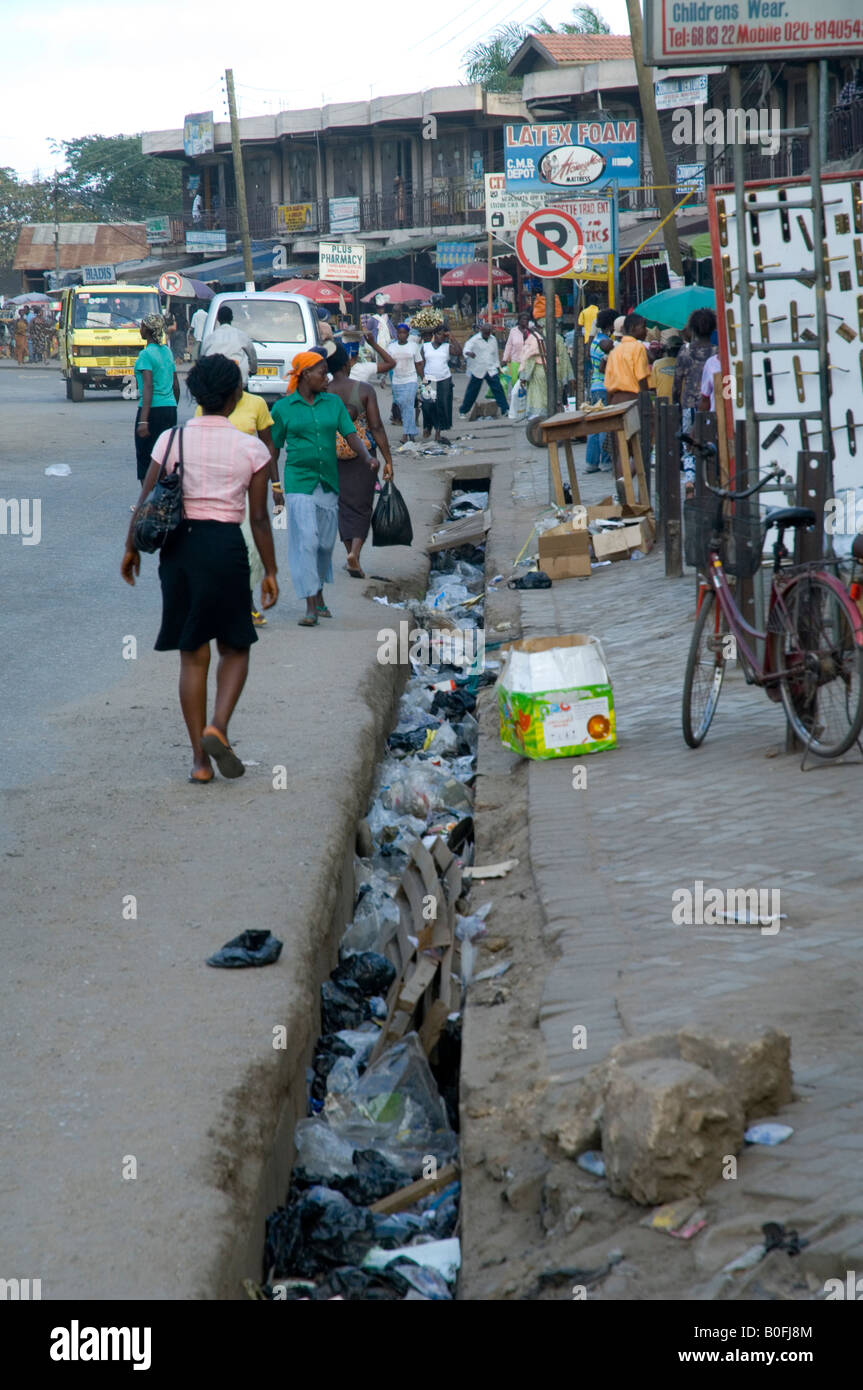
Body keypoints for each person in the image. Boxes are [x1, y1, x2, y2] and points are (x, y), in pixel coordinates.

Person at [121, 354, 278, 784]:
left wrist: (130, 548)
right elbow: (260, 518)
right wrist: (270, 571)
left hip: (177, 551)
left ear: (195, 395)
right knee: (235, 646)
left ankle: (199, 763)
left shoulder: (171, 440)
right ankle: (218, 726)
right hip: (225, 546)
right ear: (236, 396)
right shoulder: (252, 448)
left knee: (192, 657)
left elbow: (146, 497)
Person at [269, 350, 375, 626]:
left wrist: (368, 458)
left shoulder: (333, 404)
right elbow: (273, 449)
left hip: (327, 480)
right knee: (307, 540)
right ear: (305, 375)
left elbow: (350, 434)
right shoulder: (283, 409)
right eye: (321, 372)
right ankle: (310, 605)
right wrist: (276, 485)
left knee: (326, 544)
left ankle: (318, 591)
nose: (327, 377)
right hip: (298, 482)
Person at [194, 387, 281, 627]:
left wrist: (276, 485)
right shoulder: (206, 407)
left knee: (251, 548)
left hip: (247, 487)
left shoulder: (257, 404)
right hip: (214, 488)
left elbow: (268, 445)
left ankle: (247, 601)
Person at [327, 343, 394, 579]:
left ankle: (349, 555)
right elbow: (376, 426)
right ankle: (355, 552)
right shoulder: (364, 390)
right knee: (363, 506)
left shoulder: (323, 390)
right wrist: (388, 460)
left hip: (332, 456)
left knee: (343, 507)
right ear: (348, 364)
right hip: (364, 456)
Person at [604, 312, 651, 493]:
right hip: (634, 400)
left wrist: (609, 408)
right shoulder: (638, 348)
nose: (646, 330)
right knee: (641, 447)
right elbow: (641, 379)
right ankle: (627, 483)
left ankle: (621, 490)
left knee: (620, 449)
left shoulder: (615, 351)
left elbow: (608, 385)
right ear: (632, 329)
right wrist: (647, 403)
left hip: (616, 400)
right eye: (643, 326)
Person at [673, 308, 718, 496]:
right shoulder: (718, 353)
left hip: (690, 405)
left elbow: (676, 384)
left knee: (689, 445)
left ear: (692, 329)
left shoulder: (685, 352)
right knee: (711, 443)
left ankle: (690, 481)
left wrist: (676, 404)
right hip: (714, 406)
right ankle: (711, 480)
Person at [133, 314, 180, 487]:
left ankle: (148, 502)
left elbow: (148, 387)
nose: (140, 328)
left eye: (142, 326)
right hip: (169, 409)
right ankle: (165, 499)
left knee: (146, 457)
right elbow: (175, 384)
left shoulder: (146, 354)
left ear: (147, 330)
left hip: (152, 410)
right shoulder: (167, 352)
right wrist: (173, 407)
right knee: (166, 456)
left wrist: (144, 420)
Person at [584, 307, 617, 474]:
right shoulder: (606, 343)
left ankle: (591, 462)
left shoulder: (595, 341)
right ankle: (605, 461)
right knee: (605, 424)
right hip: (604, 386)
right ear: (612, 325)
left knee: (595, 425)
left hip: (595, 386)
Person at [520, 324, 573, 418]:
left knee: (537, 397)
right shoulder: (558, 338)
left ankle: (538, 417)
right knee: (555, 396)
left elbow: (526, 357)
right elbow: (564, 358)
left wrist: (523, 376)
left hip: (537, 371)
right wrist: (567, 377)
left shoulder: (532, 338)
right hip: (556, 371)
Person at [459, 321, 508, 418]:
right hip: (478, 369)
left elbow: (495, 354)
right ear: (481, 331)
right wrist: (469, 353)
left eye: (489, 332)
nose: (487, 334)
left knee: (498, 389)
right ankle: (463, 410)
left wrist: (498, 367)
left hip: (491, 368)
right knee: (472, 391)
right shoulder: (475, 339)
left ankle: (505, 409)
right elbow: (466, 349)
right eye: (485, 332)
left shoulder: (493, 339)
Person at [201, 304, 258, 384]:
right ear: (231, 318)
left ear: (218, 319)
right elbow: (252, 355)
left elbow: (202, 358)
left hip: (215, 380)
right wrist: (253, 370)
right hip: (238, 379)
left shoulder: (210, 338)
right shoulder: (241, 335)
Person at [389, 322, 424, 443]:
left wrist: (423, 378)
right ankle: (411, 431)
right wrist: (383, 377)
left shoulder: (414, 346)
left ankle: (406, 434)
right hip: (397, 380)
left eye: (404, 333)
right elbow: (387, 363)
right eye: (400, 333)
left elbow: (419, 363)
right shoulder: (391, 347)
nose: (402, 335)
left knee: (408, 404)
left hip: (411, 379)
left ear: (408, 334)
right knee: (402, 405)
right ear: (397, 334)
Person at [420, 327, 454, 443]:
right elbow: (420, 363)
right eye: (440, 334)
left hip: (444, 379)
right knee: (427, 405)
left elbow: (459, 352)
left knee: (441, 406)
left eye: (444, 335)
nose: (442, 337)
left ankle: (438, 432)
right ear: (434, 334)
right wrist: (422, 378)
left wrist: (452, 338)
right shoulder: (425, 347)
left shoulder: (447, 347)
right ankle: (428, 426)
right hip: (429, 379)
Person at [649, 329, 682, 401]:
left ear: (666, 349)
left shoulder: (657, 364)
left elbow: (653, 387)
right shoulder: (685, 363)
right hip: (680, 404)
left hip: (662, 404)